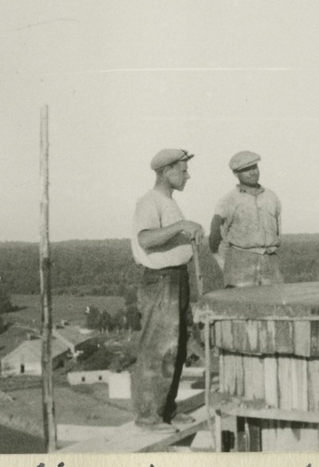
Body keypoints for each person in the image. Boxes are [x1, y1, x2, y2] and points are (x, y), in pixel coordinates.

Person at [130, 148, 205, 434]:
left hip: (177, 278)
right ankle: (148, 417)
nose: (188, 175)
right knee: (157, 349)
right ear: (167, 172)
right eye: (183, 170)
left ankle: (167, 411)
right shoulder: (149, 202)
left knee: (176, 348)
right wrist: (182, 226)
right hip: (160, 281)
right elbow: (147, 239)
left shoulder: (167, 202)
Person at [209, 150, 284, 287]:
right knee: (240, 303)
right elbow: (216, 237)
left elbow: (277, 230)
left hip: (270, 260)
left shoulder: (271, 197)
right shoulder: (228, 201)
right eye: (246, 169)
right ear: (236, 174)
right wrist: (227, 265)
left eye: (254, 167)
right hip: (241, 262)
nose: (253, 172)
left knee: (275, 302)